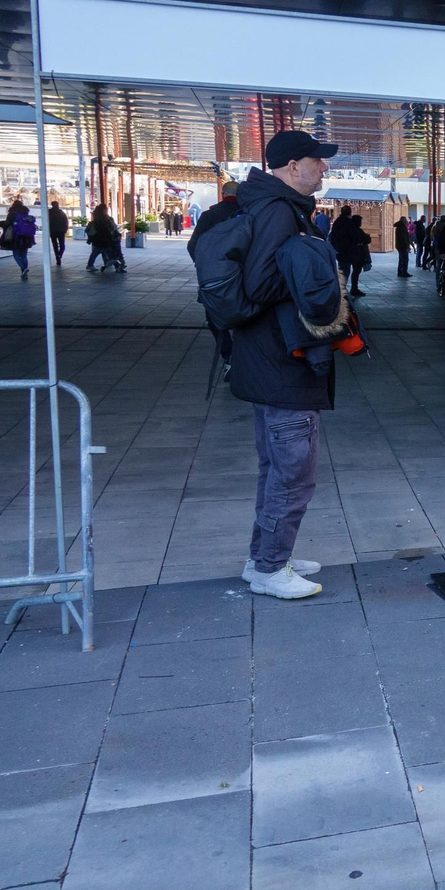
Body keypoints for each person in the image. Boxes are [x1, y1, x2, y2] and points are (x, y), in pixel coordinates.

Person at [231, 130, 340, 600]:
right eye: (319, 161)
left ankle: (266, 555)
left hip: (269, 361)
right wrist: (309, 278)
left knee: (275, 467)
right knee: (294, 471)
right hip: (281, 363)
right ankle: (271, 568)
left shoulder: (273, 205)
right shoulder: (279, 211)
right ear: (293, 166)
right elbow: (259, 285)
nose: (324, 169)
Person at [189, 181, 241, 376]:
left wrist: (206, 268)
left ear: (222, 193)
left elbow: (193, 245)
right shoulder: (251, 214)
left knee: (215, 320)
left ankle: (229, 355)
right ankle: (243, 358)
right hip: (245, 279)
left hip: (216, 281)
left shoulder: (209, 216)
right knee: (247, 320)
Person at [0, 200, 37, 280]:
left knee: (16, 254)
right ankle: (24, 273)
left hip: (16, 236)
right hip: (27, 237)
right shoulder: (25, 212)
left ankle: (24, 269)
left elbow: (7, 224)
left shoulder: (12, 213)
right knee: (24, 255)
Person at [85, 203, 124, 272]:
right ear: (104, 210)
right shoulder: (104, 218)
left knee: (99, 252)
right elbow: (108, 229)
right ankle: (116, 266)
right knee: (105, 251)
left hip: (98, 239)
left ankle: (116, 265)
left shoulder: (97, 217)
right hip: (104, 238)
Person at [47, 200, 68, 266]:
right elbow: (66, 221)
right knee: (62, 245)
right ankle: (59, 255)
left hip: (52, 231)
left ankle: (57, 256)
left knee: (54, 244)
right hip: (61, 231)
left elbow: (46, 221)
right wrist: (65, 229)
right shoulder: (61, 212)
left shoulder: (49, 212)